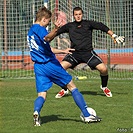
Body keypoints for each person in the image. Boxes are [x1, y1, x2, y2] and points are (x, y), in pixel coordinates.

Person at [27, 6, 101, 126]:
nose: (47, 25)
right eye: (48, 22)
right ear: (44, 19)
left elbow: (47, 48)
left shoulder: (30, 31)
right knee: (71, 86)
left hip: (38, 67)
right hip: (50, 64)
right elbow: (47, 38)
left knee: (42, 94)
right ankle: (87, 115)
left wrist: (63, 51)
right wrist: (56, 29)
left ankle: (36, 112)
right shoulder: (40, 28)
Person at [55, 7, 125, 98]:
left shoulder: (88, 23)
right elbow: (55, 33)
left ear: (82, 14)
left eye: (79, 14)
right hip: (74, 53)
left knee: (103, 69)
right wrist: (55, 28)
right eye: (76, 14)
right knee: (59, 69)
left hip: (88, 53)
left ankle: (104, 87)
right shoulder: (69, 26)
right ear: (73, 15)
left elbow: (101, 26)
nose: (78, 16)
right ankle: (64, 89)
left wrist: (114, 35)